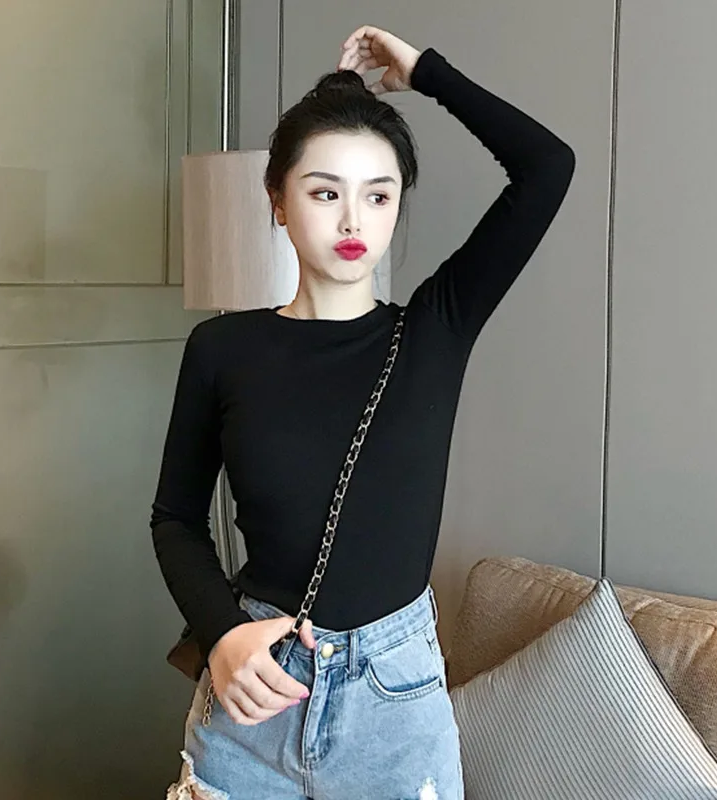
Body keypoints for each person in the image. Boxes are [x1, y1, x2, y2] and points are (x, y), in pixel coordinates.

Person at [151, 24, 575, 800]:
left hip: (394, 702)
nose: (353, 221)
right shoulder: (222, 348)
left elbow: (548, 166)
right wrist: (222, 634)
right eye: (325, 192)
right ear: (278, 201)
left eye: (378, 195)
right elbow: (175, 518)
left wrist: (427, 74)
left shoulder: (435, 330)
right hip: (254, 692)